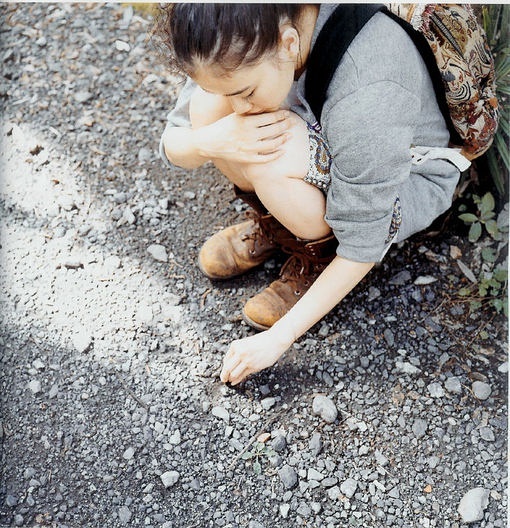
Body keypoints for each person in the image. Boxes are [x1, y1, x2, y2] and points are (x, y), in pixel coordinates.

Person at [154, 4, 467, 386]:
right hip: (330, 129)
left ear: (288, 43)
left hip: (398, 178)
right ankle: (279, 226)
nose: (239, 109)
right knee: (208, 108)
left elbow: (364, 242)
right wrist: (210, 140)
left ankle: (316, 257)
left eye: (246, 93)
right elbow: (175, 139)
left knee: (275, 151)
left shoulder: (368, 82)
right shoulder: (239, 31)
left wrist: (279, 337)